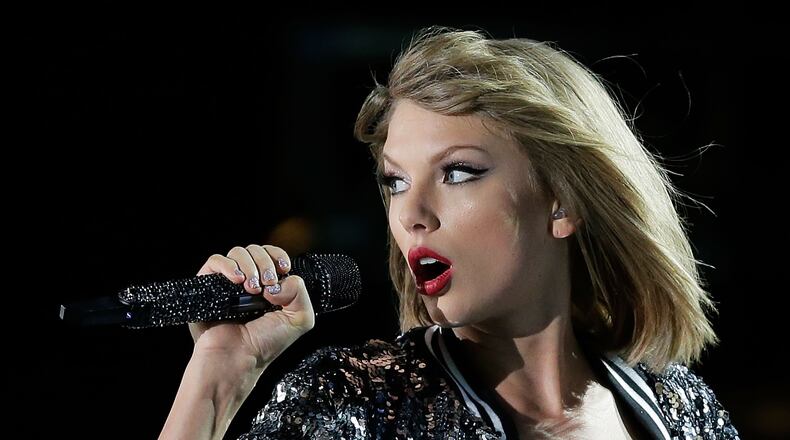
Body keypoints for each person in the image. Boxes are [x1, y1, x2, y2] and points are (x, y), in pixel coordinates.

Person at [159, 27, 740, 439]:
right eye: (394, 181)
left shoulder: (678, 408)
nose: (412, 213)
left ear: (563, 203)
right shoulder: (354, 403)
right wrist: (217, 376)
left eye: (458, 172)